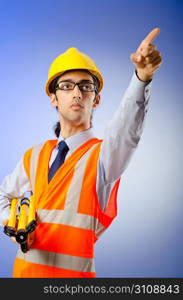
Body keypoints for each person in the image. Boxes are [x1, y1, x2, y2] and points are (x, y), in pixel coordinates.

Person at [0, 28, 162, 278]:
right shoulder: (34, 156)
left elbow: (127, 130)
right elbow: (3, 196)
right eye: (66, 86)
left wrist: (142, 78)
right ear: (53, 97)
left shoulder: (103, 158)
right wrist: (12, 220)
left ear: (96, 99)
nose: (77, 93)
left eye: (86, 86)